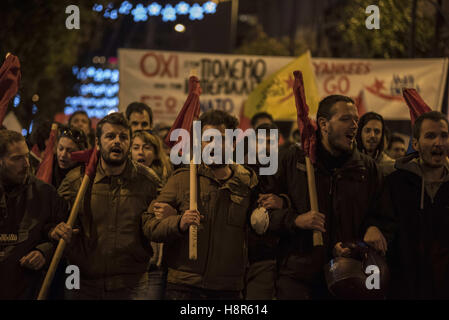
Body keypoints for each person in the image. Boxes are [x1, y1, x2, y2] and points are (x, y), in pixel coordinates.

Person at [267, 95, 395, 300]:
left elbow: (385, 217)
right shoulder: (292, 161)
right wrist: (295, 220)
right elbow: (264, 215)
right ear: (324, 124)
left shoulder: (368, 168)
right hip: (298, 279)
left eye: (356, 119)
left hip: (349, 278)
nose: (354, 125)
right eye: (345, 119)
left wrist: (372, 228)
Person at [143, 109, 258, 300]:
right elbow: (149, 225)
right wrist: (178, 222)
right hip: (184, 286)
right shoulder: (182, 179)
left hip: (228, 289)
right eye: (207, 138)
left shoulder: (246, 184)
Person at [57, 112, 159, 300]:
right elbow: (51, 221)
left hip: (132, 284)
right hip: (82, 282)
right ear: (97, 143)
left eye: (123, 137)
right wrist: (55, 230)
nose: (117, 141)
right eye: (110, 136)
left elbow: (159, 226)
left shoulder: (148, 181)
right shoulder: (76, 181)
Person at [387, 111, 449, 299]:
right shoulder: (394, 184)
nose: (438, 142)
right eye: (430, 136)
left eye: (444, 136)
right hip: (404, 289)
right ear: (415, 144)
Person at [0, 130, 69, 299]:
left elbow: (62, 237)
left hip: (28, 291)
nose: (26, 164)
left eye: (26, 156)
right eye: (17, 158)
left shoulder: (45, 194)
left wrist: (43, 252)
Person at [130, 129, 175, 300]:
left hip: (154, 265)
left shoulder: (167, 182)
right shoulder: (123, 180)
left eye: (146, 147)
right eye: (136, 147)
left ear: (156, 152)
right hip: (128, 265)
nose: (141, 152)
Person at [244, 122, 286, 300]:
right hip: (233, 257)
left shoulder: (283, 172)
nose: (267, 147)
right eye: (263, 141)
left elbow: (298, 201)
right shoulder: (237, 170)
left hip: (264, 257)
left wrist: (283, 201)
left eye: (271, 142)